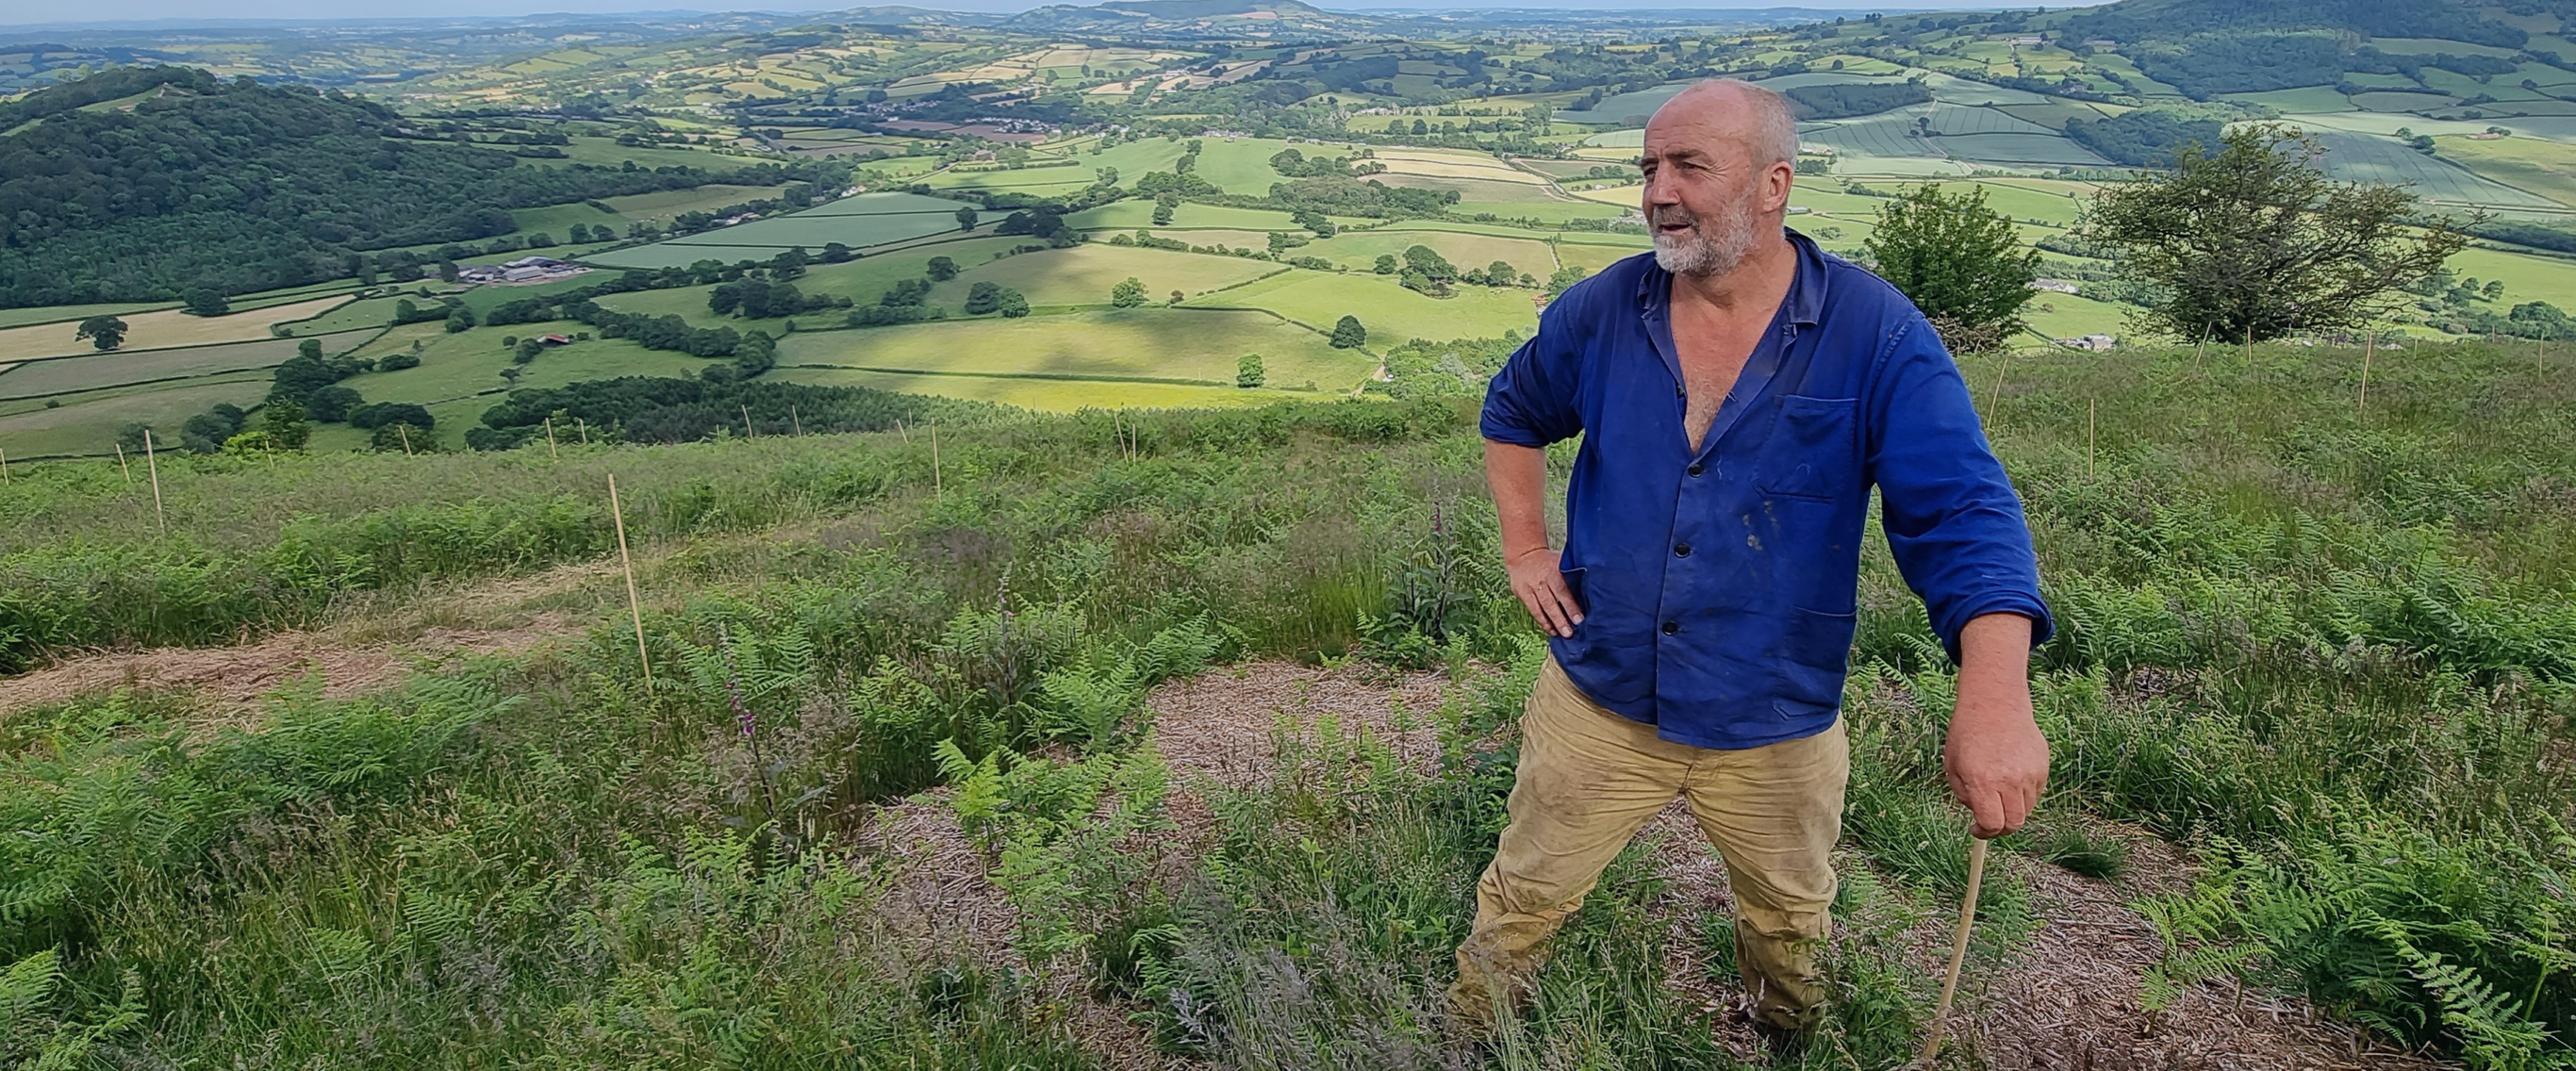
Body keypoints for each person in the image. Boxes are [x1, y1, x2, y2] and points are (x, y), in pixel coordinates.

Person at [1451, 79, 2053, 1046]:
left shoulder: (1875, 332)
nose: (1658, 191)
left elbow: (1961, 512)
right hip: (1601, 695)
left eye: (1689, 166)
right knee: (1523, 895)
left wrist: (1995, 698)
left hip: (1773, 715)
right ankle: (1472, 1039)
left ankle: (1790, 1042)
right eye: (1649, 167)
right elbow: (1512, 411)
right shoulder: (1604, 308)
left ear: (1774, 183)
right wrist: (1524, 547)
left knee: (1789, 922)